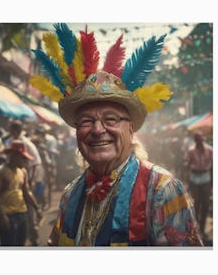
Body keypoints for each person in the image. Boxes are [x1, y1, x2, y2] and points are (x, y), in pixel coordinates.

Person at [30, 23, 203, 246]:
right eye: (86, 121)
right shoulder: (70, 194)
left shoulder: (162, 190)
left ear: (131, 130)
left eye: (110, 119)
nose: (97, 129)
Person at [0, 140, 42, 246]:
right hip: (7, 214)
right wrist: (1, 215)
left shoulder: (23, 171)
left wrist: (37, 208)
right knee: (8, 244)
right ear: (14, 155)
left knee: (20, 243)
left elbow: (26, 192)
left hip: (21, 213)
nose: (25, 161)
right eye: (23, 158)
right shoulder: (0, 172)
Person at [185, 131, 213, 241]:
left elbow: (212, 167)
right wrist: (188, 182)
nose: (199, 142)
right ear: (195, 141)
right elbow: (188, 166)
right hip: (194, 177)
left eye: (200, 140)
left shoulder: (210, 150)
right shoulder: (191, 150)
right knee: (197, 202)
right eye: (197, 140)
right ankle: (195, 228)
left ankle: (202, 227)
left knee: (206, 203)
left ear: (203, 140)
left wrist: (212, 182)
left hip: (205, 177)